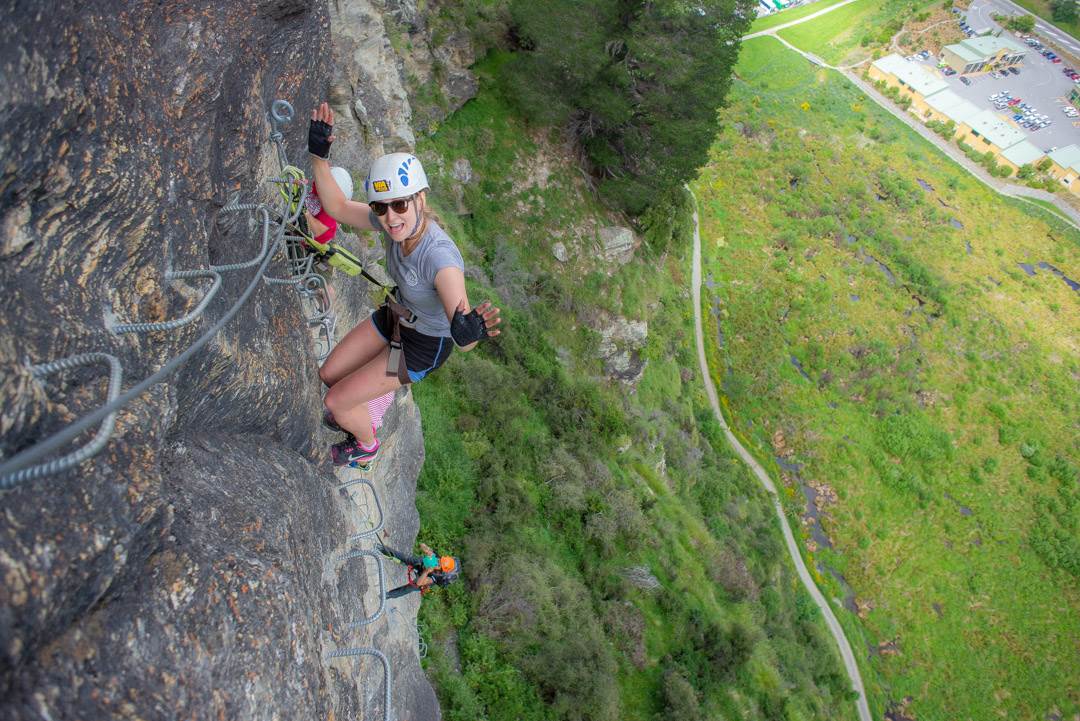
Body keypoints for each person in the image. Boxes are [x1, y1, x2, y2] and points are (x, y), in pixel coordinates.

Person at [306, 102, 503, 467]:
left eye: (399, 205)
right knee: (328, 375)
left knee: (335, 402)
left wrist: (468, 332)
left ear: (420, 199)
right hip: (396, 319)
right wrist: (319, 156)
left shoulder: (439, 258)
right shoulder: (388, 223)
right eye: (381, 207)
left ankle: (366, 444)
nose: (391, 218)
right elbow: (336, 207)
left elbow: (464, 337)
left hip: (421, 347)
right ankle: (371, 395)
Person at [377, 541, 460, 599]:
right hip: (422, 565)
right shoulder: (438, 559)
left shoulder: (436, 578)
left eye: (439, 564)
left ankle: (388, 595)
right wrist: (427, 550)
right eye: (439, 561)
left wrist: (426, 571)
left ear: (441, 570)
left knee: (410, 587)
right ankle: (383, 549)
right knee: (407, 559)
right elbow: (422, 545)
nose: (437, 562)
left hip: (424, 576)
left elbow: (419, 583)